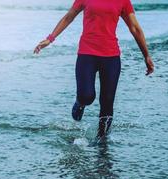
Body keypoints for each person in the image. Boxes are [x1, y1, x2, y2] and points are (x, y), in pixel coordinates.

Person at [34, 0, 154, 137]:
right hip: (87, 54)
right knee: (86, 96)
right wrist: (50, 39)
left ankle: (102, 144)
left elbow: (134, 28)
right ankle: (80, 103)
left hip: (111, 57)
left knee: (107, 103)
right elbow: (69, 17)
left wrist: (146, 55)